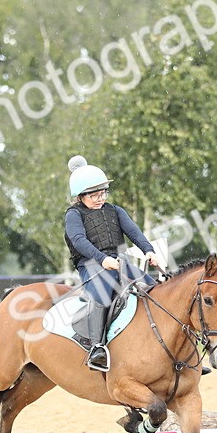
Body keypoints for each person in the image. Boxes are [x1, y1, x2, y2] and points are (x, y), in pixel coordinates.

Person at [64, 155, 160, 371]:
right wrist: (102, 259)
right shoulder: (73, 215)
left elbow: (133, 232)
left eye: (103, 193)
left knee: (152, 289)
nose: (100, 198)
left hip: (119, 263)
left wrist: (149, 251)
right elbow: (79, 241)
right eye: (94, 195)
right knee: (103, 293)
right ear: (80, 197)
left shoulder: (115, 210)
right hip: (91, 265)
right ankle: (96, 348)